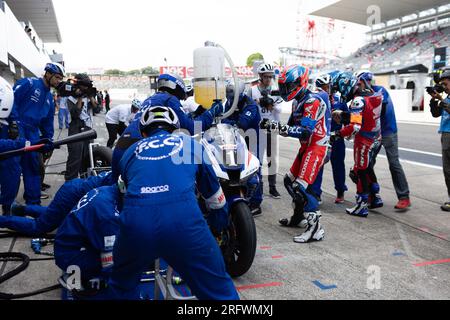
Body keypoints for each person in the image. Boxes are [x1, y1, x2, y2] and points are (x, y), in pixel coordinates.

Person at [108, 106, 239, 300]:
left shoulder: (130, 151)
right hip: (185, 223)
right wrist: (217, 227)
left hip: (137, 224)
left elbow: (119, 196)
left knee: (121, 286)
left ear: (143, 133)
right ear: (175, 128)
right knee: (219, 289)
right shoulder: (189, 143)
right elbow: (214, 196)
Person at [261, 65, 329, 243]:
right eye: (284, 86)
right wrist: (275, 127)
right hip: (306, 147)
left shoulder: (312, 101)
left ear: (300, 82)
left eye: (288, 86)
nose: (285, 90)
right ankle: (299, 217)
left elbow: (305, 131)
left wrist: (278, 127)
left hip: (316, 146)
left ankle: (316, 229)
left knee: (300, 186)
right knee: (288, 181)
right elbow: (291, 127)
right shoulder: (298, 101)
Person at [111, 73, 223, 180]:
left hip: (122, 149)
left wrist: (195, 114)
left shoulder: (152, 99)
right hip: (138, 153)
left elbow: (176, 121)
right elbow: (193, 128)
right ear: (177, 87)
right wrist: (210, 113)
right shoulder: (170, 99)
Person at [0, 63, 64, 215]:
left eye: (60, 79)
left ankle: (33, 204)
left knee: (34, 169)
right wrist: (13, 122)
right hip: (16, 128)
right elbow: (11, 100)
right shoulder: (29, 83)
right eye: (56, 77)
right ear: (47, 74)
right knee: (12, 169)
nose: (58, 81)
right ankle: (7, 207)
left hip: (33, 133)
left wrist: (48, 141)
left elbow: (48, 123)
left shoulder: (49, 97)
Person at [55, 184, 121, 299]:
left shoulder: (107, 190)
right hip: (69, 256)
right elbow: (109, 261)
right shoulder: (108, 216)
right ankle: (79, 276)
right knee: (122, 258)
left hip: (69, 244)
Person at [357, 71, 411, 210]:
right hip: (374, 133)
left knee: (393, 163)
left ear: (367, 81)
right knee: (366, 164)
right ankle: (372, 194)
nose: (358, 86)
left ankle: (404, 197)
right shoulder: (360, 95)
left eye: (360, 83)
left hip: (387, 131)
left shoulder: (380, 91)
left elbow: (381, 110)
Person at [331, 72, 383, 217]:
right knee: (368, 168)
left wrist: (337, 134)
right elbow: (367, 116)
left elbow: (355, 126)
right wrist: (344, 115)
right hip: (377, 137)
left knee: (360, 171)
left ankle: (361, 205)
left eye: (339, 88)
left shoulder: (358, 101)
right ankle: (375, 197)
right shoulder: (374, 93)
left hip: (364, 141)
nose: (340, 92)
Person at [0, 172, 115, 236]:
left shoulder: (122, 169)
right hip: (71, 196)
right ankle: (3, 220)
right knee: (39, 227)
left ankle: (22, 209)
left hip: (75, 187)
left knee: (56, 215)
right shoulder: (127, 180)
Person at [222, 82, 263, 216]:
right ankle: (239, 196)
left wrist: (227, 122)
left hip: (253, 139)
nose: (230, 99)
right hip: (237, 140)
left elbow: (242, 124)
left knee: (254, 170)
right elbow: (224, 121)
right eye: (228, 96)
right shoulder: (228, 103)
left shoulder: (250, 105)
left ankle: (256, 203)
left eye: (232, 96)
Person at [309, 72, 349, 204]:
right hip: (322, 138)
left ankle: (340, 191)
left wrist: (342, 115)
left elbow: (349, 118)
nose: (327, 89)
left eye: (328, 86)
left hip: (337, 138)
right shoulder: (315, 99)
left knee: (338, 165)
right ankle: (316, 193)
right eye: (323, 87)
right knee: (318, 165)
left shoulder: (340, 99)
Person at [247, 63, 282, 199]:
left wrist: (270, 104)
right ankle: (258, 185)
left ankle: (272, 187)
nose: (268, 79)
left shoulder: (275, 90)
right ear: (260, 76)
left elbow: (280, 109)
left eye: (271, 76)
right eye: (266, 76)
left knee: (272, 158)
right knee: (257, 159)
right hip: (258, 128)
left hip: (272, 128)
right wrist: (257, 102)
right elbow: (248, 106)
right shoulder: (252, 90)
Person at [65, 74, 98, 181]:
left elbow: (97, 109)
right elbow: (75, 114)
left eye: (87, 86)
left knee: (88, 156)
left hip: (88, 128)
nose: (86, 88)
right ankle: (70, 182)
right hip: (76, 128)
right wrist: (79, 98)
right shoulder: (70, 97)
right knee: (75, 157)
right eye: (84, 86)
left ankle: (85, 180)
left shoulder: (89, 95)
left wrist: (90, 97)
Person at [429, 69, 450, 211]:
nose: (443, 87)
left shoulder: (446, 99)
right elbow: (436, 114)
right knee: (447, 171)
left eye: (445, 83)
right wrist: (433, 100)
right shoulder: (447, 97)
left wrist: (441, 100)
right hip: (445, 135)